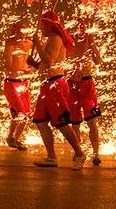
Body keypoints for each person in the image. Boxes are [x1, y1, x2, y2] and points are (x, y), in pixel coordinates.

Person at [31, 11, 86, 170]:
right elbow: (45, 66)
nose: (40, 28)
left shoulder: (55, 38)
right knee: (41, 121)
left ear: (48, 25)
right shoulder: (50, 39)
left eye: (42, 24)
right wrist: (34, 63)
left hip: (55, 85)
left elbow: (49, 61)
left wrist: (38, 44)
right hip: (47, 85)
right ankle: (51, 157)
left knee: (61, 123)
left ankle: (79, 153)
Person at [68, 18, 103, 165]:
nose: (77, 31)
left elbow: (98, 61)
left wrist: (92, 44)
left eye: (80, 28)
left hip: (87, 85)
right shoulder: (66, 42)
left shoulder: (88, 40)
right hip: (71, 85)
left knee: (92, 120)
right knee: (75, 123)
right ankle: (78, 152)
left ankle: (96, 153)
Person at [3, 20, 32, 151]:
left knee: (26, 114)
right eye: (20, 30)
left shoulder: (30, 44)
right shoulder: (10, 45)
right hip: (12, 83)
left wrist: (31, 67)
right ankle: (10, 137)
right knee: (19, 113)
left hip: (24, 83)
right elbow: (8, 65)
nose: (22, 33)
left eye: (25, 30)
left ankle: (16, 139)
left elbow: (32, 60)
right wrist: (22, 71)